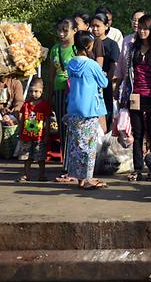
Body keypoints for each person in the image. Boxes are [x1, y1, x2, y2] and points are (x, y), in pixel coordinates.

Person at [118, 14, 151, 181]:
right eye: (140, 27)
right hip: (135, 94)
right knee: (137, 134)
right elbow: (128, 74)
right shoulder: (133, 48)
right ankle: (138, 168)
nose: (141, 31)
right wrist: (124, 93)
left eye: (145, 28)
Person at [65, 30, 109, 190]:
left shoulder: (71, 63)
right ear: (88, 45)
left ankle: (80, 179)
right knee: (89, 146)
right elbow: (104, 82)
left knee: (77, 145)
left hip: (73, 108)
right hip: (89, 109)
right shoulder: (92, 64)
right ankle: (88, 178)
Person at [49, 16, 77, 181]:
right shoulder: (54, 49)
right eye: (59, 30)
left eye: (65, 30)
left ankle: (73, 165)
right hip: (59, 92)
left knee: (74, 129)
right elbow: (51, 73)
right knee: (62, 128)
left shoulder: (76, 48)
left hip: (74, 93)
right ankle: (66, 165)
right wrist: (49, 94)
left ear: (74, 31)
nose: (61, 34)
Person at [16, 79, 51, 183]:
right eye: (31, 91)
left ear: (41, 91)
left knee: (41, 158)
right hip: (27, 136)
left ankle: (42, 175)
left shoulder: (44, 105)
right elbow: (22, 119)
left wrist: (47, 135)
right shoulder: (26, 105)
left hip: (39, 136)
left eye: (36, 91)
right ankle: (26, 175)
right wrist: (20, 131)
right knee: (27, 158)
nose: (33, 94)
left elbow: (47, 121)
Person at [89, 13, 120, 129]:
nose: (95, 29)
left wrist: (108, 83)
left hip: (105, 83)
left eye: (98, 26)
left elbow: (114, 65)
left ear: (106, 26)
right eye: (92, 26)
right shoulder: (88, 43)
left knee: (106, 111)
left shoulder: (112, 44)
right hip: (91, 84)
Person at [114, 9, 146, 92]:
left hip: (146, 86)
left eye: (139, 20)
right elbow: (121, 64)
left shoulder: (150, 42)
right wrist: (117, 87)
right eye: (134, 20)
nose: (136, 23)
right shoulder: (127, 40)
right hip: (128, 86)